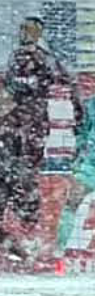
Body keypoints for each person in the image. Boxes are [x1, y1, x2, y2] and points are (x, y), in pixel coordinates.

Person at [0, 16, 82, 274]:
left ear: (39, 33)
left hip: (24, 144)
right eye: (23, 29)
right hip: (10, 148)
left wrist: (79, 117)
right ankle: (6, 257)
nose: (25, 34)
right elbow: (10, 89)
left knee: (11, 198)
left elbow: (59, 84)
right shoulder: (18, 62)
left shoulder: (43, 61)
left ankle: (25, 251)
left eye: (31, 30)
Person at [54, 95, 95, 272]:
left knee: (71, 204)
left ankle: (58, 253)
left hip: (89, 165)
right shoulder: (91, 104)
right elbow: (82, 132)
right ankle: (58, 254)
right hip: (90, 165)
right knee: (71, 204)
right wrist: (78, 157)